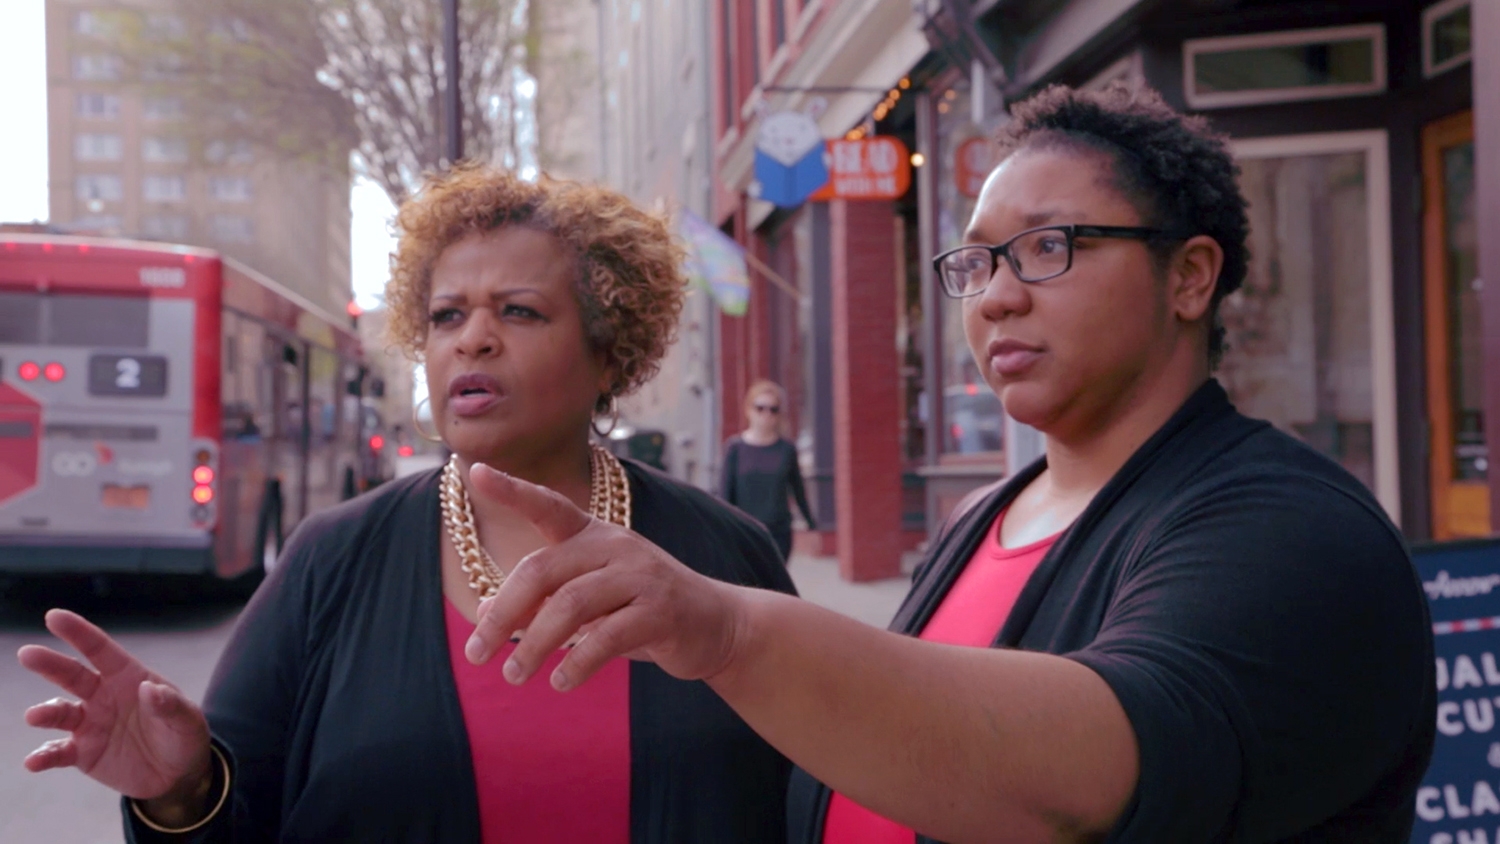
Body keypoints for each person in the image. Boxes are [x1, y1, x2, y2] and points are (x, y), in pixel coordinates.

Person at [458, 84, 1435, 843]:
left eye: (1047, 248)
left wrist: (728, 632)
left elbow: (1087, 779)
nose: (996, 298)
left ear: (1189, 276)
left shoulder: (1293, 533)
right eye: (974, 263)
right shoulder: (983, 520)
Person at [17, 165, 796, 843]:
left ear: (608, 351)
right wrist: (183, 790)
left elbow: (818, 798)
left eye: (518, 310)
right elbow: (238, 811)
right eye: (447, 315)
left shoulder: (724, 554)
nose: (473, 339)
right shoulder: (331, 559)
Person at [721, 380, 817, 560]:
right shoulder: (735, 448)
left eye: (773, 409)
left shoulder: (786, 449)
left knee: (775, 586)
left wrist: (811, 525)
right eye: (760, 408)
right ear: (749, 410)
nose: (766, 414)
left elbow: (798, 491)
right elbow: (726, 496)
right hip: (745, 532)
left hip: (778, 533)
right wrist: (725, 532)